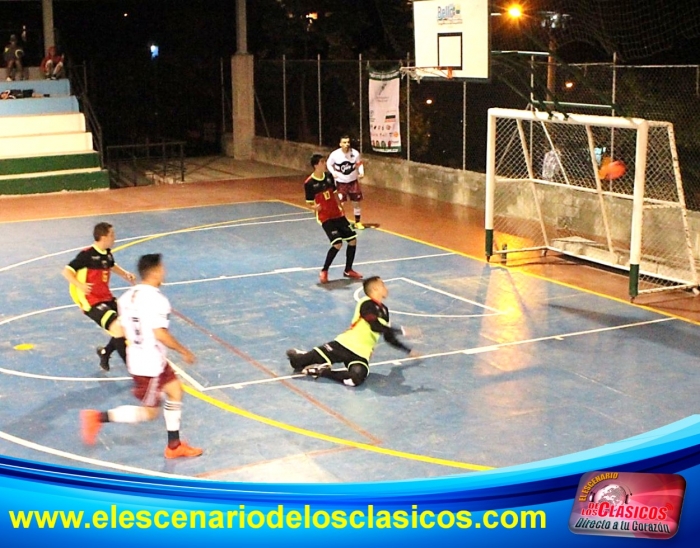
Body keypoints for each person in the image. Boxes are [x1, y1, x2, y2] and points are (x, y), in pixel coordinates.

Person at [80, 253, 203, 459]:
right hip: (149, 364)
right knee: (149, 413)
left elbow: (122, 328)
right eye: (162, 268)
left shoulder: (127, 296)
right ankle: (97, 418)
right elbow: (160, 334)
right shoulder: (158, 300)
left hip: (145, 358)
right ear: (154, 271)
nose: (165, 271)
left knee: (175, 391)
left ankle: (174, 445)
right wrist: (184, 351)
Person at [286, 276, 420, 387]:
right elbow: (374, 325)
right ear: (375, 288)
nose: (386, 288)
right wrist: (403, 330)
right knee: (297, 363)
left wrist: (407, 350)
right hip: (344, 345)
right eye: (383, 285)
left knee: (355, 379)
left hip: (361, 355)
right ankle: (303, 355)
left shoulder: (384, 311)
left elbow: (388, 336)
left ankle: (324, 371)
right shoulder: (366, 303)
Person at [62, 222, 135, 371]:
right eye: (111, 235)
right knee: (118, 327)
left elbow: (111, 264)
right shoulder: (86, 255)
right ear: (103, 237)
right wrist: (80, 285)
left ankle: (105, 352)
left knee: (127, 324)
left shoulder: (107, 252)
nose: (114, 237)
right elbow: (66, 272)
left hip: (106, 297)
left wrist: (125, 274)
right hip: (91, 301)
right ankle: (133, 369)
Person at [305, 153, 362, 284]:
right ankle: (324, 270)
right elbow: (308, 202)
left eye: (325, 161)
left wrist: (340, 205)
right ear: (316, 165)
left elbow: (335, 193)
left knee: (352, 240)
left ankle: (348, 270)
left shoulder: (329, 177)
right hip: (325, 216)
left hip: (337, 213)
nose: (325, 164)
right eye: (322, 162)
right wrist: (315, 208)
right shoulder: (309, 183)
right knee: (337, 243)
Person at [326, 135, 366, 230]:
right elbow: (329, 164)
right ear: (340, 144)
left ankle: (357, 222)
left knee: (356, 202)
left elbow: (359, 163)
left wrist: (361, 172)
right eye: (344, 142)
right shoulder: (335, 154)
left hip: (353, 182)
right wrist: (333, 173)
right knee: (340, 203)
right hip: (341, 183)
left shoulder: (355, 153)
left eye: (348, 142)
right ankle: (338, 222)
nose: (346, 144)